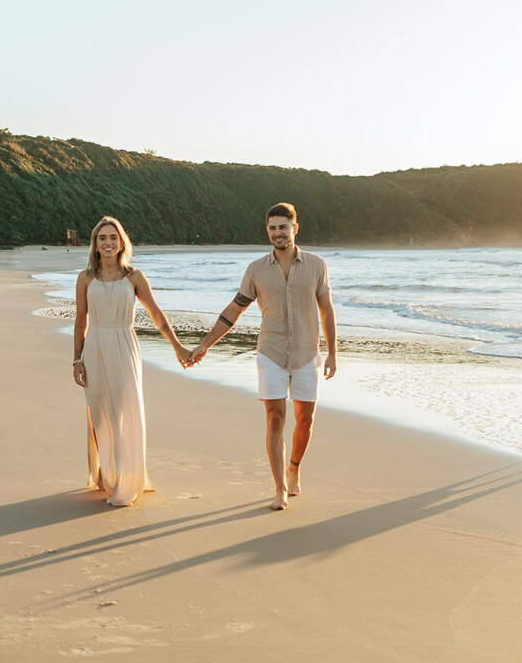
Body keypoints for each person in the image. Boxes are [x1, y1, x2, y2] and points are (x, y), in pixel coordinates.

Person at [191, 202, 337, 510]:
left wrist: (333, 353)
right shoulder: (256, 270)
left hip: (307, 352)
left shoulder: (316, 265)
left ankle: (294, 467)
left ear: (295, 229)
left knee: (305, 420)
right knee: (274, 418)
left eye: (283, 227)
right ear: (267, 231)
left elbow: (326, 311)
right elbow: (234, 309)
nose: (277, 233)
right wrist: (206, 344)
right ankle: (280, 487)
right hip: (270, 352)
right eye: (272, 228)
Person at [72, 216, 194, 506]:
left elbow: (156, 313)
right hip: (96, 347)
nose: (108, 242)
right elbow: (80, 321)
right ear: (95, 244)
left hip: (125, 346)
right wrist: (76, 359)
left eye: (113, 237)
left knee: (126, 410)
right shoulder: (85, 278)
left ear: (122, 241)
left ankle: (128, 477)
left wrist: (177, 347)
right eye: (102, 238)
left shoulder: (134, 277)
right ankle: (106, 474)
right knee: (99, 411)